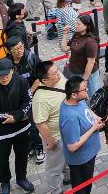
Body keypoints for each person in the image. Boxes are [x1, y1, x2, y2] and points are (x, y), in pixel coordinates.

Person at [0, 59, 35, 194]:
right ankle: (4, 182)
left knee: (22, 155)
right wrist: (11, 117)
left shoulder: (21, 82)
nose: (4, 78)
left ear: (12, 71)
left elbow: (28, 101)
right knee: (2, 159)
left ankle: (21, 178)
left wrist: (16, 117)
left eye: (6, 75)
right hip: (1, 133)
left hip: (22, 128)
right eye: (0, 76)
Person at [58, 76, 103, 194]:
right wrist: (93, 128)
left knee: (87, 186)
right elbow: (72, 146)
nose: (87, 90)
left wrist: (95, 117)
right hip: (81, 161)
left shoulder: (78, 100)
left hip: (89, 155)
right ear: (74, 94)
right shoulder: (69, 118)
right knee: (82, 190)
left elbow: (86, 110)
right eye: (84, 89)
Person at [31, 61, 67, 194]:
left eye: (57, 70)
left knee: (67, 159)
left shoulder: (60, 77)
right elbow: (40, 123)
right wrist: (51, 142)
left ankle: (68, 177)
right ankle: (55, 190)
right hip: (56, 137)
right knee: (54, 168)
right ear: (45, 80)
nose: (58, 74)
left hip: (69, 132)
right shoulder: (40, 99)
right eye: (54, 73)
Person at [62, 15, 101, 98]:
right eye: (76, 23)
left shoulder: (90, 41)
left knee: (93, 96)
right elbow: (65, 48)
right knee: (77, 96)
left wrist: (85, 79)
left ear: (86, 26)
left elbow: (91, 62)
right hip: (75, 71)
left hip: (87, 74)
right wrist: (65, 34)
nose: (76, 25)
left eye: (78, 24)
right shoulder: (77, 34)